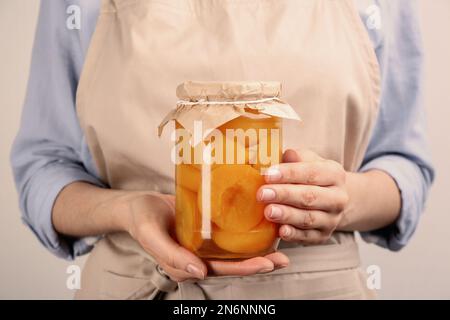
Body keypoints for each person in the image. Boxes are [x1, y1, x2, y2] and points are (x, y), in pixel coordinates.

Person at [11, 0, 434, 299]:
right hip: (137, 285)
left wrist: (345, 198)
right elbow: (44, 167)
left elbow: (403, 164)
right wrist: (128, 210)